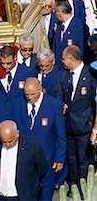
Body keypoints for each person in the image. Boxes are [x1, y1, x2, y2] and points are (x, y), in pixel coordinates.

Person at [13, 78, 66, 201]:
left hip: (46, 158)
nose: (29, 97)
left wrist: (59, 158)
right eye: (26, 94)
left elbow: (60, 135)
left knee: (46, 192)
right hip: (25, 158)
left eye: (33, 94)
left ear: (40, 89)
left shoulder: (54, 105)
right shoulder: (17, 103)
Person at [54, 46, 97, 192]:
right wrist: (61, 103)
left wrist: (94, 126)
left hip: (84, 124)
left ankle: (84, 186)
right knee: (71, 157)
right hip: (68, 124)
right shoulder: (64, 74)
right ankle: (73, 185)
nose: (62, 61)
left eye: (64, 58)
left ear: (71, 59)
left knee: (83, 159)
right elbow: (58, 91)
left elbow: (94, 101)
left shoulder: (90, 74)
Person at [0, 120, 49, 201]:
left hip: (22, 197)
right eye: (4, 142)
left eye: (10, 141)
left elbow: (43, 168)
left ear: (17, 134)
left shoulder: (32, 147)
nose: (8, 145)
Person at [0, 45, 36, 135]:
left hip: (19, 120)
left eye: (9, 63)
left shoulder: (28, 72)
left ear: (15, 58)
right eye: (3, 63)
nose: (5, 66)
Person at [52, 0, 85, 64]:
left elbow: (81, 48)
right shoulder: (59, 25)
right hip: (59, 66)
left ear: (60, 12)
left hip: (71, 66)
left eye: (55, 12)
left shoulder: (78, 25)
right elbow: (55, 46)